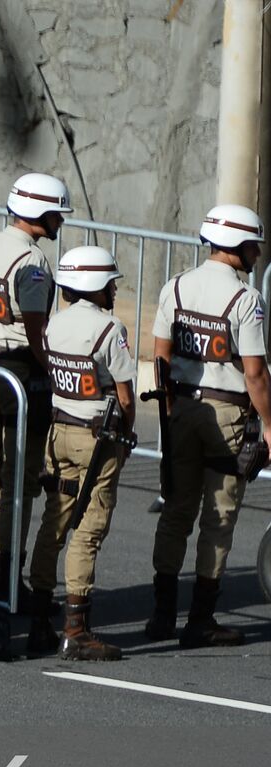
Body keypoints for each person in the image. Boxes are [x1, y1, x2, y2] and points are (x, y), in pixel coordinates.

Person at [148, 204, 271, 647]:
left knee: (177, 509)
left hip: (181, 407)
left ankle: (161, 616)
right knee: (217, 517)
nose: (258, 252)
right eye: (254, 244)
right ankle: (199, 619)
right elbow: (255, 374)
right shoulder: (246, 300)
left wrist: (169, 410)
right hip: (227, 414)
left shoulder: (175, 287)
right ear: (238, 246)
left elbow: (160, 358)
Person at [0, 173, 70, 613]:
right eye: (55, 213)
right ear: (38, 214)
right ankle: (8, 577)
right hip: (19, 372)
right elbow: (35, 327)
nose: (59, 221)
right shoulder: (32, 261)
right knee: (19, 481)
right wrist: (55, 373)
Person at [28, 247, 135, 660]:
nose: (113, 290)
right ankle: (76, 629)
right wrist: (126, 436)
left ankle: (39, 622)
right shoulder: (110, 328)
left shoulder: (54, 325)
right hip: (97, 436)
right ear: (96, 285)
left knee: (53, 521)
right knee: (88, 528)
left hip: (59, 431)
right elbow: (125, 397)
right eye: (111, 283)